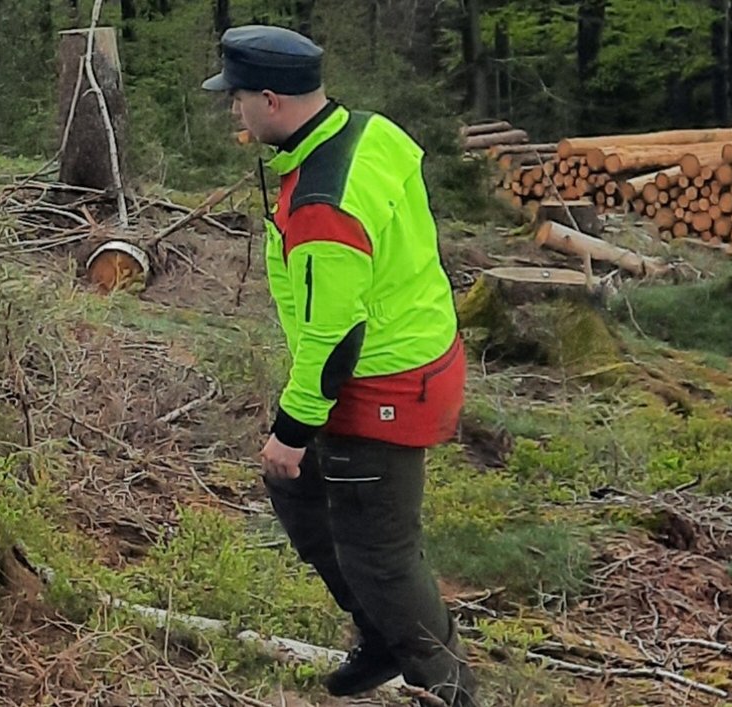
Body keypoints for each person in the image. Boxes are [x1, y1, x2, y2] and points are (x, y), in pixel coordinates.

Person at [200, 25, 479, 706]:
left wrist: (290, 431)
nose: (233, 111)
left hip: (381, 383)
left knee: (380, 554)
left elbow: (336, 337)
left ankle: (449, 686)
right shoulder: (364, 131)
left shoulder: (324, 201)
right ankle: (382, 637)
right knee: (298, 494)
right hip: (403, 358)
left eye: (237, 99)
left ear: (271, 100)